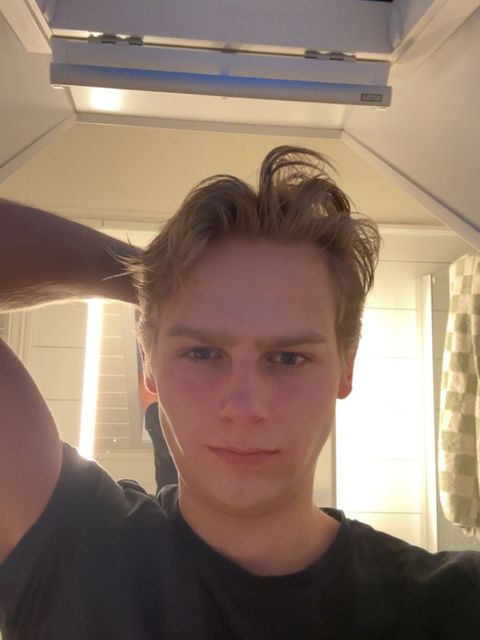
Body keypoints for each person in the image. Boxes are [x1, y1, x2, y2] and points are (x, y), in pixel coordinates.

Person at [0, 146, 479, 639]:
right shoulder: (70, 548)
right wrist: (150, 277)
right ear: (149, 363)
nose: (245, 407)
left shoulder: (453, 603)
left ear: (346, 368)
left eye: (288, 358)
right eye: (203, 353)